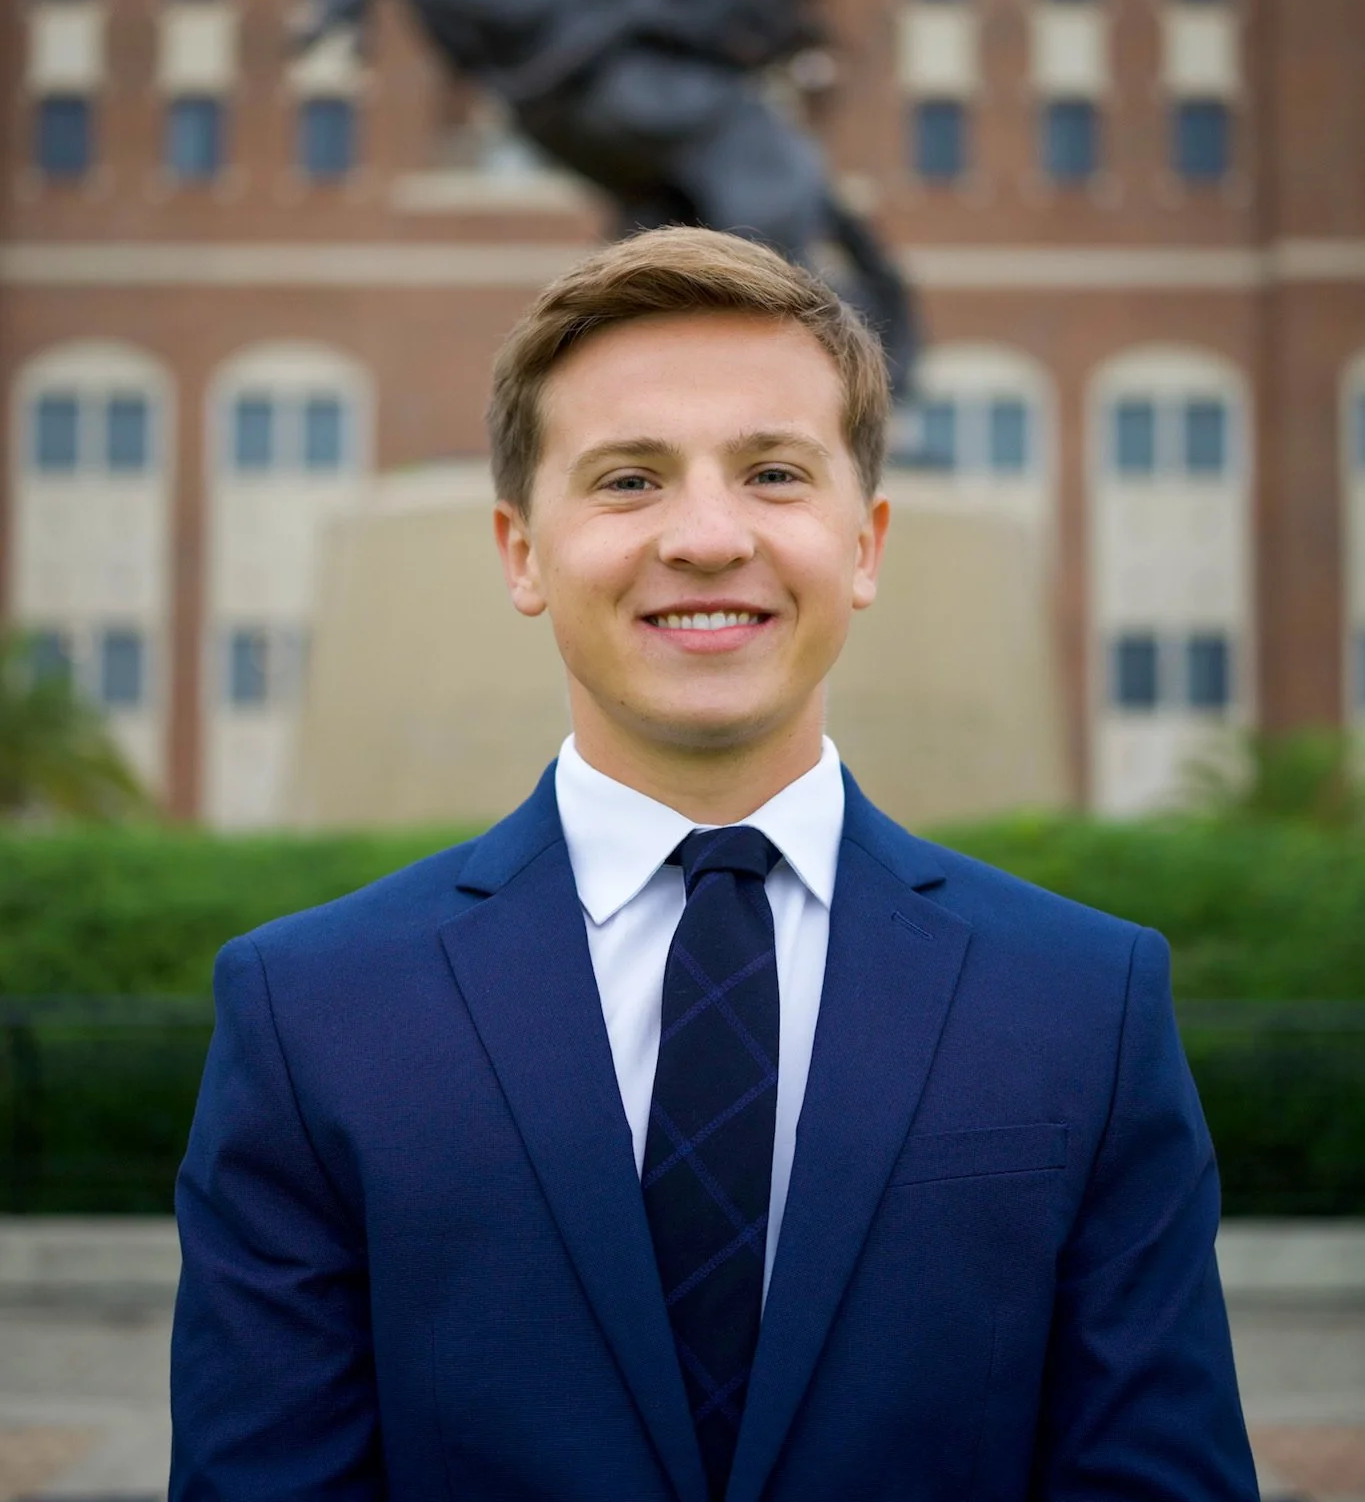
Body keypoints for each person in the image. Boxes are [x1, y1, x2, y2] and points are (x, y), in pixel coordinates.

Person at [170, 228, 1258, 1502]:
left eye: (775, 472)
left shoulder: (1087, 1004)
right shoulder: (311, 1013)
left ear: (866, 543)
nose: (703, 535)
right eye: (629, 479)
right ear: (522, 550)